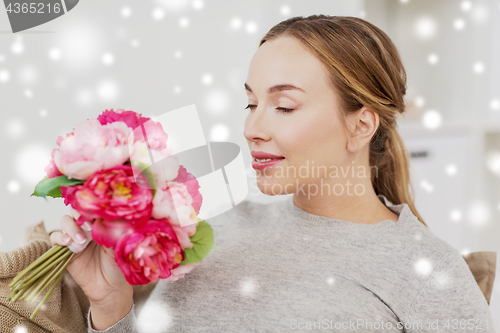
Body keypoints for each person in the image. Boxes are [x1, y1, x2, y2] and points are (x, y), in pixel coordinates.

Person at [50, 15, 496, 332]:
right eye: (251, 103)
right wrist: (111, 310)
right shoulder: (214, 228)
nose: (251, 129)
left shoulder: (427, 271)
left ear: (361, 124)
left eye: (284, 106)